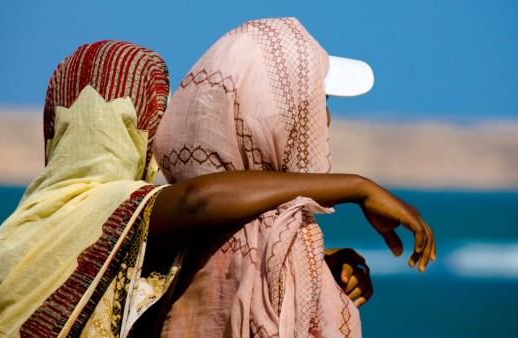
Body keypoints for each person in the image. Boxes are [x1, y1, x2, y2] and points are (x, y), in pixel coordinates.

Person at [0, 39, 433, 337]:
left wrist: (310, 264)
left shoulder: (14, 235)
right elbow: (197, 202)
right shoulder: (110, 211)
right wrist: (355, 187)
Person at [152, 17, 435, 337]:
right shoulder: (173, 211)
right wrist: (358, 188)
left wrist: (316, 268)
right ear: (269, 118)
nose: (324, 118)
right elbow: (199, 201)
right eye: (317, 103)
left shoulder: (178, 220)